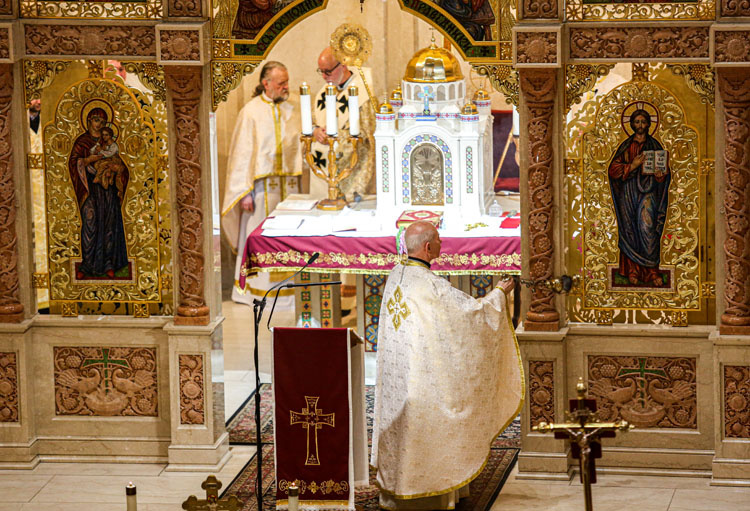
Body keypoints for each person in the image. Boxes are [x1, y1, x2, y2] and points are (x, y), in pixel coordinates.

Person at [371, 221, 523, 510]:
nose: (442, 243)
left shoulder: (395, 275)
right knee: (446, 409)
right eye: (439, 240)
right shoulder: (432, 286)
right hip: (421, 382)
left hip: (398, 379)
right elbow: (471, 316)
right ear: (428, 247)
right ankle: (430, 493)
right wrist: (499, 294)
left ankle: (397, 489)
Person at [221, 61, 301, 306]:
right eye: (281, 83)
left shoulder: (294, 109)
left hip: (289, 187)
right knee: (259, 237)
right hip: (260, 190)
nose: (286, 87)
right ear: (266, 83)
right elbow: (242, 154)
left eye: (287, 82)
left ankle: (289, 291)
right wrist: (243, 192)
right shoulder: (251, 111)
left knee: (288, 237)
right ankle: (255, 291)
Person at [608, 109, 671, 287]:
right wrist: (632, 165)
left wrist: (660, 175)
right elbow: (613, 170)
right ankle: (632, 271)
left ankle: (652, 272)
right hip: (628, 193)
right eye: (637, 122)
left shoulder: (654, 145)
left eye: (643, 122)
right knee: (630, 229)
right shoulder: (626, 146)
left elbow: (664, 172)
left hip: (648, 192)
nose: (640, 125)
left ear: (649, 124)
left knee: (647, 228)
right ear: (632, 124)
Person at [68, 107, 130, 280]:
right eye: (96, 120)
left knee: (109, 224)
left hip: (107, 190)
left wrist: (118, 169)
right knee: (90, 222)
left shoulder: (108, 143)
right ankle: (87, 264)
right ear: (88, 121)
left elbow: (122, 166)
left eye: (102, 122)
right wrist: (87, 160)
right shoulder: (82, 142)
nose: (99, 124)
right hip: (89, 190)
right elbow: (73, 163)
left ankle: (108, 263)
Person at [310, 47, 375, 202]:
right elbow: (312, 122)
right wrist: (316, 131)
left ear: (343, 65)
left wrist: (336, 136)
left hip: (351, 171)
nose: (324, 77)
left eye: (328, 71)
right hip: (323, 164)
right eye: (321, 71)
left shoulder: (363, 93)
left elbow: (367, 134)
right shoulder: (323, 93)